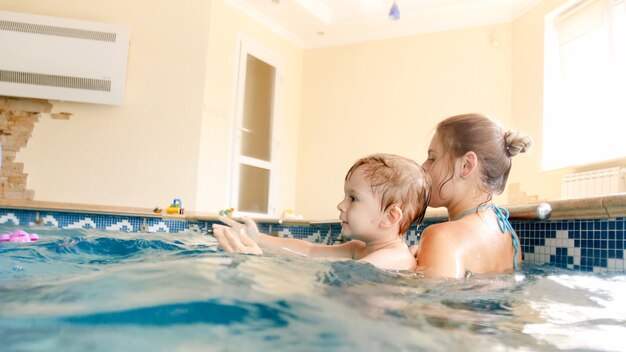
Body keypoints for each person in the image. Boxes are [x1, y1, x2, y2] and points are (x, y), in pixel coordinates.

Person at [212, 153, 431, 271]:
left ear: (390, 217)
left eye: (353, 198)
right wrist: (258, 238)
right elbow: (308, 252)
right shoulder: (358, 249)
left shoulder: (393, 258)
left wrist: (259, 262)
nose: (340, 205)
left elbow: (349, 274)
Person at [414, 113, 532, 278]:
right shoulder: (511, 240)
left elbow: (430, 304)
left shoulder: (441, 237)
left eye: (432, 158)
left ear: (466, 165)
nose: (423, 167)